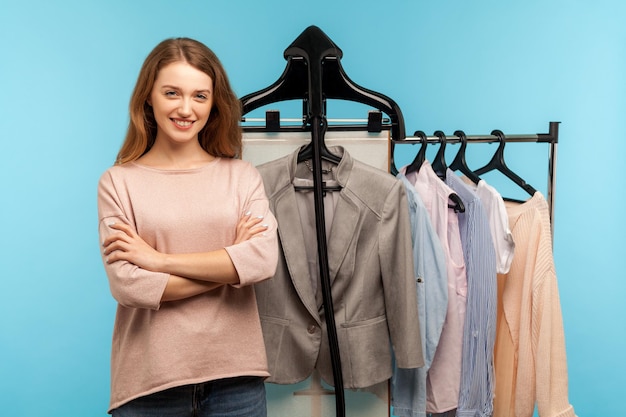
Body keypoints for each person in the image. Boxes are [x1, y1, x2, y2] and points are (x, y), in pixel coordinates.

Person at [97, 37, 278, 417]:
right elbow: (130, 285)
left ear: (214, 103)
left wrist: (158, 260)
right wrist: (231, 267)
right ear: (149, 96)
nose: (185, 108)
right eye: (172, 93)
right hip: (150, 383)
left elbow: (262, 262)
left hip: (236, 379)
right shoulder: (118, 183)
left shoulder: (242, 177)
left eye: (199, 96)